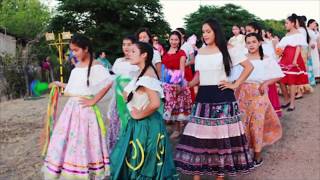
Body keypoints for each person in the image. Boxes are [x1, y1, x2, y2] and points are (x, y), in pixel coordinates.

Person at [174, 18, 254, 180]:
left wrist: (235, 84)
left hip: (223, 98)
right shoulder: (201, 51)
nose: (205, 35)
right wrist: (185, 85)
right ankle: (196, 175)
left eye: (208, 31)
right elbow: (199, 76)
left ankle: (220, 175)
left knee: (220, 138)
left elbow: (249, 67)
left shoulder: (229, 49)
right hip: (203, 98)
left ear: (216, 31)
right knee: (199, 137)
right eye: (203, 32)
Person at [42, 34, 113, 179]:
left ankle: (85, 171)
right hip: (71, 109)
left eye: (76, 50)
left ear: (86, 48)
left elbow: (109, 83)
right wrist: (58, 83)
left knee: (83, 141)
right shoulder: (77, 67)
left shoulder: (96, 65)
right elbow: (75, 87)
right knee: (69, 140)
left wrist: (94, 101)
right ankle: (71, 170)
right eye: (72, 51)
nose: (73, 54)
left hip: (85, 109)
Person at [110, 41, 178, 179]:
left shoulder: (147, 77)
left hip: (146, 126)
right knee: (138, 161)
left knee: (144, 163)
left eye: (133, 51)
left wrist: (138, 114)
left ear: (144, 55)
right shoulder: (141, 73)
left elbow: (155, 104)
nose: (129, 53)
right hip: (140, 124)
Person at [233, 32, 283, 166]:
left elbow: (279, 74)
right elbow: (234, 77)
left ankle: (257, 155)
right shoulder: (242, 59)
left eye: (254, 42)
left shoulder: (266, 58)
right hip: (243, 94)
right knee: (243, 124)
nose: (251, 45)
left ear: (259, 43)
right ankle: (245, 153)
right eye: (248, 43)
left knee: (257, 125)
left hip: (259, 95)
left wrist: (266, 83)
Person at [107, 35, 139, 152]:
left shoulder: (137, 62)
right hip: (118, 99)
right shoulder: (118, 61)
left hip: (132, 99)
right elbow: (113, 79)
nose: (126, 47)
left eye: (129, 44)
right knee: (117, 123)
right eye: (124, 44)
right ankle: (118, 150)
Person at [161, 31, 193, 139]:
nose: (174, 42)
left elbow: (182, 69)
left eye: (176, 40)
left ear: (180, 41)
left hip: (178, 83)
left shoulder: (181, 53)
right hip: (167, 84)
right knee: (169, 107)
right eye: (172, 39)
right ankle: (171, 127)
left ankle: (178, 130)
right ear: (169, 40)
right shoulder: (165, 53)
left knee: (178, 107)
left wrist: (179, 84)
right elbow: (163, 69)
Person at [277, 14, 309, 111]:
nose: (285, 25)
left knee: (292, 81)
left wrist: (295, 60)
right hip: (285, 57)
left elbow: (298, 47)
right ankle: (286, 100)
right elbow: (282, 47)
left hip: (293, 57)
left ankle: (292, 104)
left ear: (292, 23)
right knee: (281, 79)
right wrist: (280, 53)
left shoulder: (299, 34)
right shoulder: (287, 35)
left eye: (286, 23)